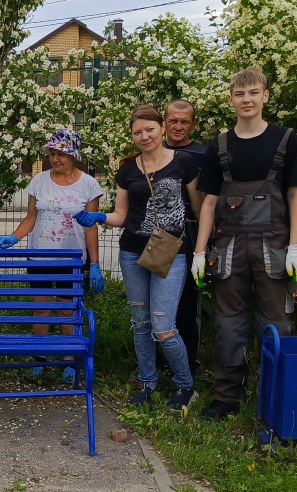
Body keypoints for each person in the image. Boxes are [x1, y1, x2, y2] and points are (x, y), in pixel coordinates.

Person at [191, 67, 297, 421]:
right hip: (229, 248)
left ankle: (277, 394)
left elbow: (295, 197)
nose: (247, 100)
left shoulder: (285, 140)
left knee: (277, 322)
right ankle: (226, 397)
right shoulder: (220, 145)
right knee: (228, 323)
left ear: (265, 96)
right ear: (231, 100)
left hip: (275, 246)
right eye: (240, 94)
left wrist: (295, 247)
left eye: (254, 93)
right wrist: (199, 252)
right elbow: (209, 202)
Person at [74, 105, 204, 409]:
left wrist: (202, 248)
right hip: (132, 252)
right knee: (141, 323)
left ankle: (185, 385)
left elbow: (197, 209)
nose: (144, 136)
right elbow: (121, 215)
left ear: (161, 129)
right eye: (137, 132)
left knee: (163, 325)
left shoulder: (183, 162)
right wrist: (97, 217)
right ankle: (147, 382)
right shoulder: (128, 169)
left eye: (149, 129)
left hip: (170, 253)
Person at [0, 128, 104, 384]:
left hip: (71, 259)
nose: (56, 159)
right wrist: (14, 237)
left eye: (62, 154)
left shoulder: (88, 184)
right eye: (52, 153)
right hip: (39, 257)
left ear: (75, 155)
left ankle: (68, 361)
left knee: (68, 310)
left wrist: (95, 264)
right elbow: (31, 217)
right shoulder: (39, 181)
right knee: (41, 308)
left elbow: (91, 226)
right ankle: (39, 360)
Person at [162, 99, 207, 379]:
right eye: (173, 121)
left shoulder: (204, 155)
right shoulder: (153, 149)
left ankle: (188, 366)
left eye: (184, 122)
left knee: (187, 304)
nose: (178, 127)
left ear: (193, 124)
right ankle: (155, 365)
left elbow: (206, 204)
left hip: (189, 235)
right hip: (156, 237)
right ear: (164, 122)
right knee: (158, 304)